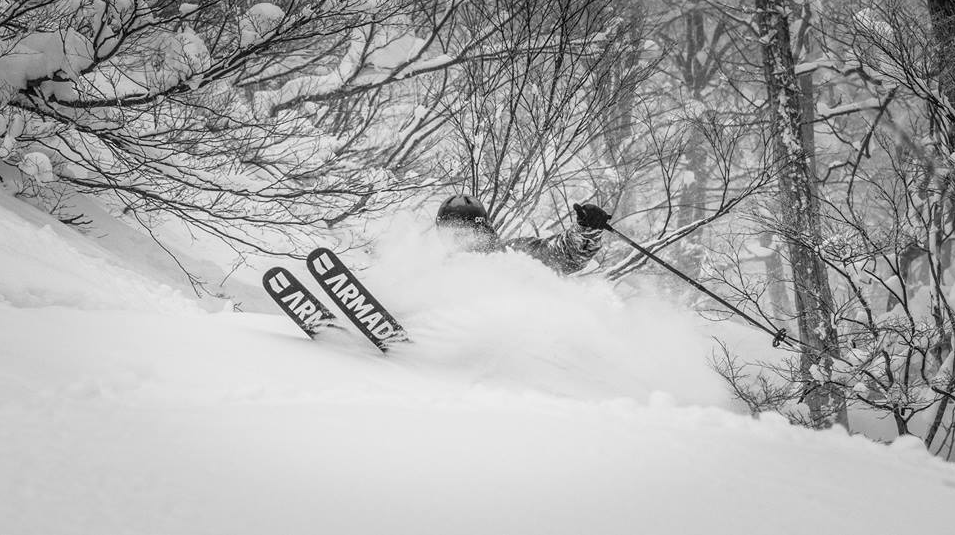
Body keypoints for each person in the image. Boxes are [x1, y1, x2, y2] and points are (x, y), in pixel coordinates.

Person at [434, 194, 611, 275]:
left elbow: (564, 255)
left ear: (481, 230)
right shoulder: (439, 273)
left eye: (462, 233)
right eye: (448, 233)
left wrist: (586, 230)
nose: (455, 240)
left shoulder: (513, 255)